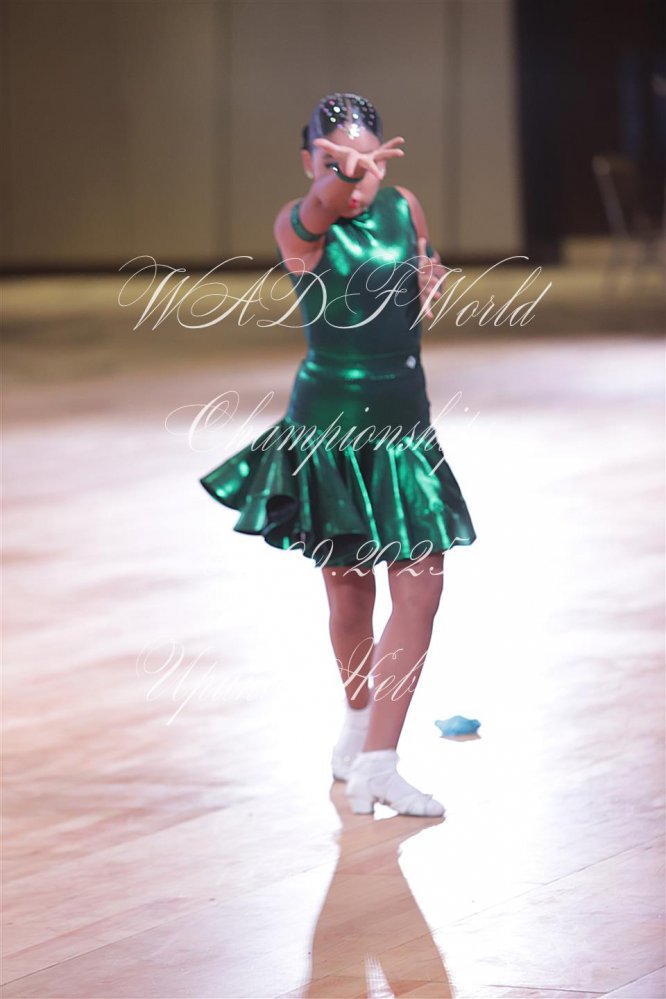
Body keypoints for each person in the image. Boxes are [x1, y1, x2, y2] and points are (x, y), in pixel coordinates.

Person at [199, 92, 477, 817]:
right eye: (334, 162)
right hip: (330, 431)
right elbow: (322, 207)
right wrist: (342, 175)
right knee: (350, 597)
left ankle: (380, 761)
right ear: (309, 164)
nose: (354, 176)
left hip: (405, 423)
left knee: (421, 590)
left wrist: (428, 276)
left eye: (365, 160)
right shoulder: (299, 223)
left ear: (387, 157)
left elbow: (418, 270)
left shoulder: (405, 206)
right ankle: (357, 722)